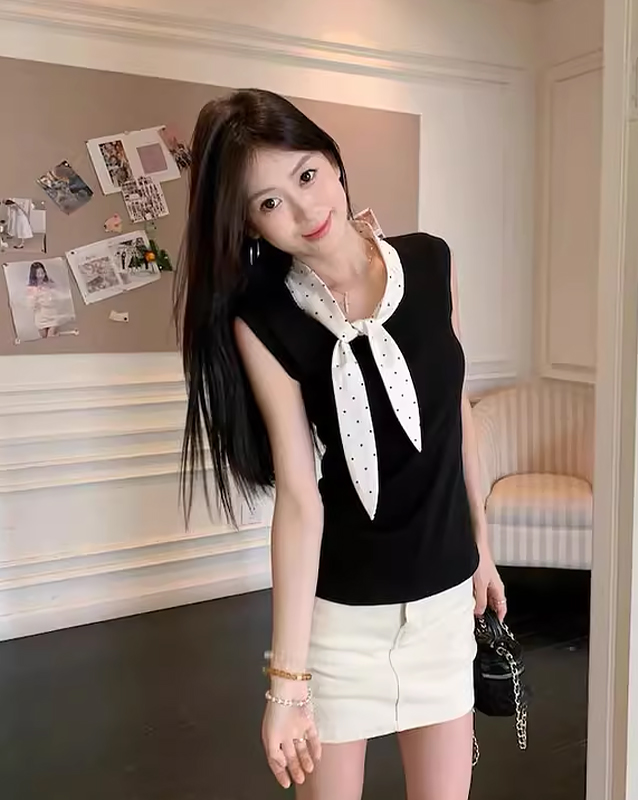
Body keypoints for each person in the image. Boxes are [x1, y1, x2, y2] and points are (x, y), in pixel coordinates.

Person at [175, 88, 507, 800]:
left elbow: (454, 411)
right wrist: (287, 684)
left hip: (445, 605)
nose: (304, 210)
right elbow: (300, 498)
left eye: (306, 175)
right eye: (269, 202)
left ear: (332, 160)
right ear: (250, 224)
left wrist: (481, 546)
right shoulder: (264, 320)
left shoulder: (432, 263)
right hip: (343, 618)